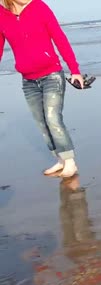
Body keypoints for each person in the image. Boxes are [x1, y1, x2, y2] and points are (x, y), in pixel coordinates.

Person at [0, 0, 84, 178]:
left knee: (53, 118)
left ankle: (70, 162)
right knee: (42, 122)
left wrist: (74, 70)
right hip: (28, 80)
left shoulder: (39, 6)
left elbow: (59, 38)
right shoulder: (1, 15)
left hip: (52, 75)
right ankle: (60, 160)